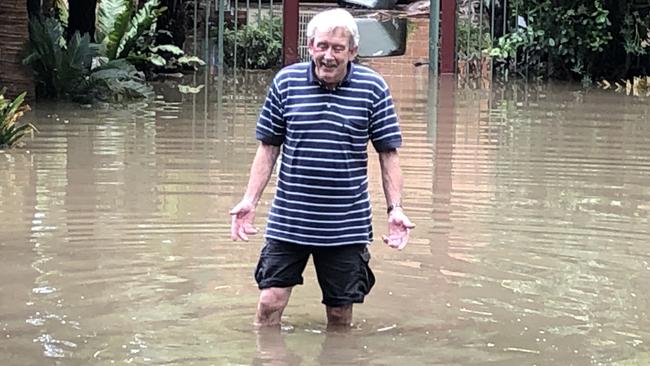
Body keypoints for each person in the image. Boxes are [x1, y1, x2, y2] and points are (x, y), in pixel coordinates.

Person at [230, 8, 415, 329]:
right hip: (289, 220)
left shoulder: (372, 87)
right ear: (310, 45)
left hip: (346, 225)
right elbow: (268, 147)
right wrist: (249, 200)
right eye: (322, 46)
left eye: (338, 48)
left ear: (353, 52)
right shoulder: (286, 83)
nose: (328, 56)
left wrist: (395, 209)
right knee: (269, 302)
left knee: (341, 314)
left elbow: (388, 152)